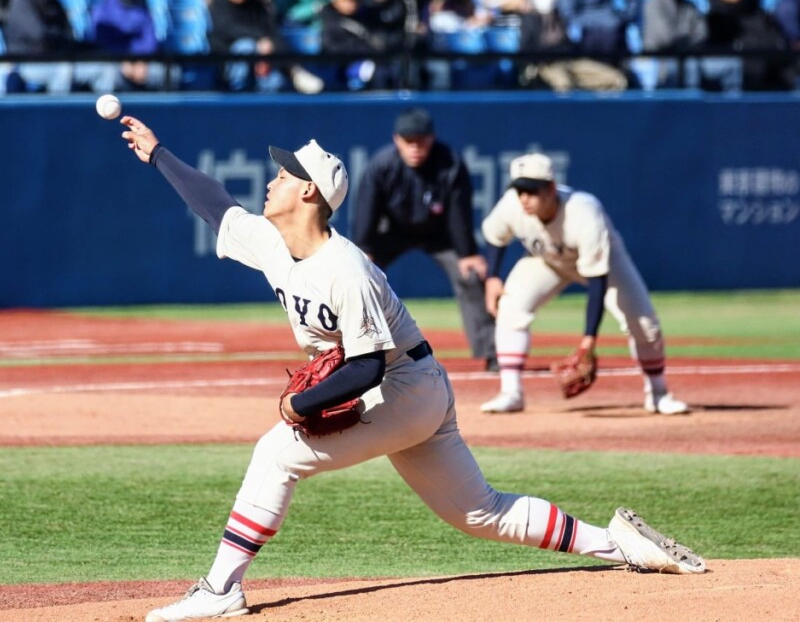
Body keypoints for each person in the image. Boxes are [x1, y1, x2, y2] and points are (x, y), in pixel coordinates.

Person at [117, 115, 706, 622]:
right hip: (417, 387)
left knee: (276, 454)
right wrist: (158, 154)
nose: (272, 181)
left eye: (284, 175)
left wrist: (301, 405)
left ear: (310, 194)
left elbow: (368, 365)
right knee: (478, 511)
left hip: (403, 386)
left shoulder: (347, 270)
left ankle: (220, 589)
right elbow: (216, 206)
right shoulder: (274, 243)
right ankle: (620, 545)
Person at [478, 153, 691, 415]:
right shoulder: (513, 205)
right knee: (511, 307)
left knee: (643, 323)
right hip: (548, 261)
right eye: (520, 190)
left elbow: (597, 281)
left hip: (607, 264)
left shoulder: (584, 212)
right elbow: (495, 236)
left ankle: (658, 393)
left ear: (552, 188)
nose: (524, 198)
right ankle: (511, 393)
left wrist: (588, 341)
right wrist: (493, 279)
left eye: (532, 191)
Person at [353, 107, 498, 372]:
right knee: (357, 276)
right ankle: (353, 351)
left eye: (421, 140)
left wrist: (467, 253)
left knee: (471, 276)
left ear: (432, 138)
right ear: (397, 140)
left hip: (439, 234)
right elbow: (366, 211)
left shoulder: (449, 163)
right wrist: (365, 249)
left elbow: (458, 213)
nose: (415, 148)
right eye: (409, 141)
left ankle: (492, 353)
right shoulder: (382, 165)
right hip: (392, 233)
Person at [2, 0, 118, 94]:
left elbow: (67, 34)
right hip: (30, 62)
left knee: (105, 69)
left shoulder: (53, 0)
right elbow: (39, 35)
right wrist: (60, 40)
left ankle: (101, 112)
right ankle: (60, 115)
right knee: (63, 70)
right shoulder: (22, 0)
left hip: (60, 58)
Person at [208, 0, 324, 93]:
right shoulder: (219, 5)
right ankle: (238, 91)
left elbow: (271, 30)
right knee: (245, 46)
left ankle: (293, 70)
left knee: (275, 83)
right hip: (228, 61)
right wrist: (260, 40)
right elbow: (228, 29)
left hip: (264, 59)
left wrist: (268, 43)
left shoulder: (255, 4)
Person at [519, 0, 627, 90]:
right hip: (546, 66)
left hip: (571, 62)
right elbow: (527, 50)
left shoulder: (560, 16)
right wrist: (553, 50)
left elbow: (570, 44)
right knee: (564, 86)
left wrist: (559, 49)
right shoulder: (529, 20)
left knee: (616, 79)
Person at [89, 0, 166, 91]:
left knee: (164, 72)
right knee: (110, 74)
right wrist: (124, 60)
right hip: (111, 60)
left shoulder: (142, 9)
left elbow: (149, 40)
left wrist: (139, 61)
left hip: (139, 61)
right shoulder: (102, 9)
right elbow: (102, 41)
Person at [641, 0, 707, 89]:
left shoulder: (690, 6)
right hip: (660, 57)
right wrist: (687, 37)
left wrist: (684, 39)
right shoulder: (655, 3)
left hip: (686, 55)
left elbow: (702, 34)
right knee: (684, 67)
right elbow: (666, 38)